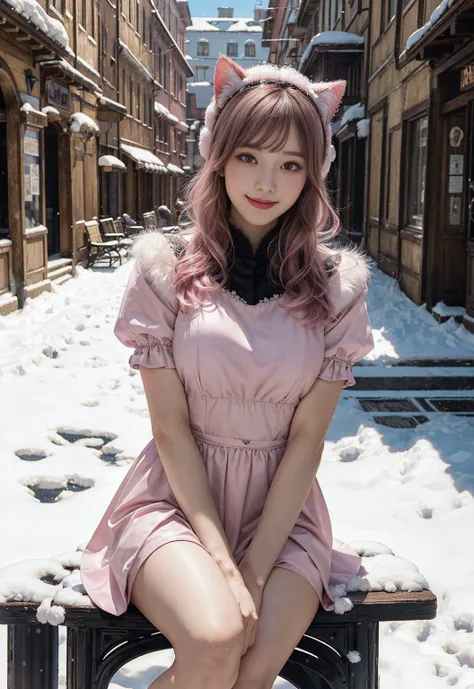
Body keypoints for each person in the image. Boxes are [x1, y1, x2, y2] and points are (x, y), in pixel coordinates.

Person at [80, 56, 375, 689]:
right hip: (177, 503)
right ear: (219, 155)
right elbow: (171, 430)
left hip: (284, 512)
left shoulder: (336, 289)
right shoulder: (167, 271)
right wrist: (219, 556)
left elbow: (305, 441)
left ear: (313, 175)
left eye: (290, 164)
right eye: (249, 157)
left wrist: (256, 570)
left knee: (253, 666)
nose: (266, 181)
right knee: (217, 640)